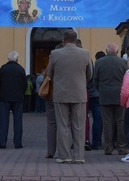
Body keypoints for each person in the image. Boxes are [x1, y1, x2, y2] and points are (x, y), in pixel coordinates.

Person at [46, 29, 92, 164]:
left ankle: (65, 156)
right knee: (79, 126)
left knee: (63, 126)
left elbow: (49, 73)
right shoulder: (85, 53)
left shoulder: (55, 54)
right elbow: (90, 75)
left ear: (63, 40)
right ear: (76, 40)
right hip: (79, 94)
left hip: (60, 94)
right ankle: (78, 156)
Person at [93, 42, 128, 156]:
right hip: (120, 95)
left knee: (107, 122)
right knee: (121, 122)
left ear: (106, 51)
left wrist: (101, 89)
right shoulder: (124, 62)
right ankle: (122, 147)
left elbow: (95, 80)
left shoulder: (99, 62)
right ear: (117, 51)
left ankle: (108, 148)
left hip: (105, 95)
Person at [0, 51, 27, 149]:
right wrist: (21, 93)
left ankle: (2, 142)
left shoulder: (3, 68)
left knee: (4, 120)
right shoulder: (20, 69)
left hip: (5, 97)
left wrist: (2, 91)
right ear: (17, 59)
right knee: (18, 121)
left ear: (8, 58)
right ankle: (18, 143)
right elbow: (24, 84)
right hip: (18, 98)